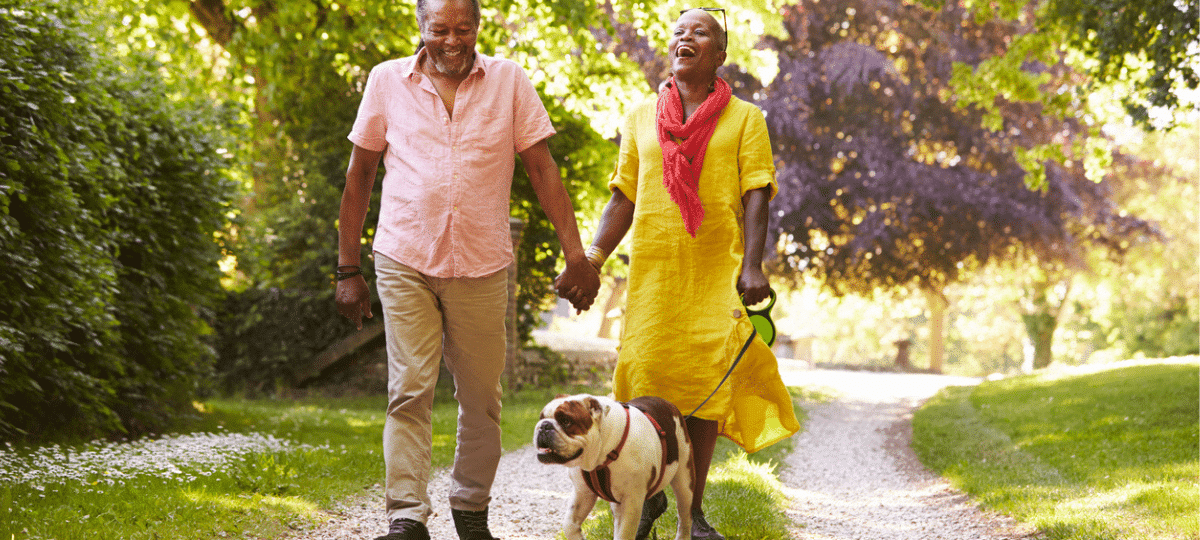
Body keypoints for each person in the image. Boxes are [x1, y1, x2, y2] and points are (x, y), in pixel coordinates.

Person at [334, 0, 601, 539]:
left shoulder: (509, 81)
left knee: (482, 398)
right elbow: (360, 173)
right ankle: (406, 516)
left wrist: (577, 255)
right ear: (420, 28)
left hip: (481, 263)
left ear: (478, 27)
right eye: (439, 30)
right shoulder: (388, 81)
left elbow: (543, 169)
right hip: (404, 256)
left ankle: (471, 509)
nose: (451, 41)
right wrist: (347, 268)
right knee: (409, 388)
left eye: (463, 29)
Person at [565, 8, 800, 540]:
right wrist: (594, 258)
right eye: (678, 31)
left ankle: (691, 516)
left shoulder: (746, 119)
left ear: (720, 54)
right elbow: (624, 197)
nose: (684, 37)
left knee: (703, 395)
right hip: (653, 277)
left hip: (715, 274)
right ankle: (643, 501)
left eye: (700, 31)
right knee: (644, 385)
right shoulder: (639, 117)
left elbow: (756, 192)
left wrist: (754, 265)